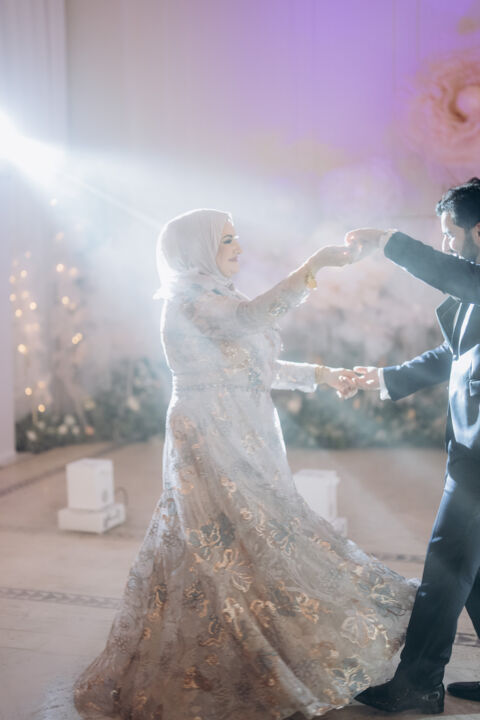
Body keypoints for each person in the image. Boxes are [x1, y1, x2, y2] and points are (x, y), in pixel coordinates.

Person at [74, 208, 417, 720]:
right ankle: (242, 656)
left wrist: (324, 375)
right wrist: (314, 266)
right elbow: (250, 320)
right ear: (197, 248)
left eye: (236, 237)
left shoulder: (216, 295)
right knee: (233, 538)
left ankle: (265, 644)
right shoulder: (188, 300)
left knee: (257, 535)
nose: (239, 247)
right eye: (227, 240)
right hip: (209, 433)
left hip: (246, 429)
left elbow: (256, 364)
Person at [345, 177, 480, 714]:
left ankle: (419, 683)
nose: (447, 243)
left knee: (447, 566)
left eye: (451, 233)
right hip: (469, 444)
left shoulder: (472, 279)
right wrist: (383, 378)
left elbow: (451, 273)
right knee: (471, 570)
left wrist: (388, 242)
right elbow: (454, 353)